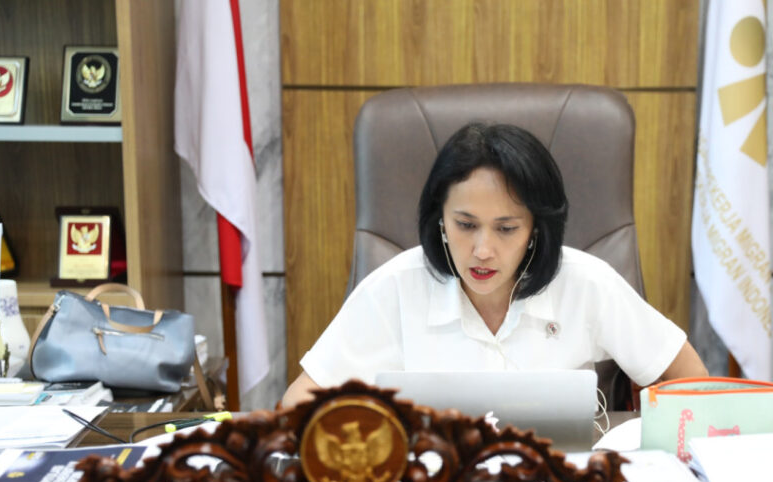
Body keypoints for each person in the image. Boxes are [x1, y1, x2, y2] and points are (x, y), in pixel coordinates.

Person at [282, 122, 707, 408]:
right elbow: (300, 400)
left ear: (535, 229)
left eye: (506, 229)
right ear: (440, 221)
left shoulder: (585, 282)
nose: (482, 250)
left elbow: (689, 377)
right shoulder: (395, 287)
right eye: (466, 225)